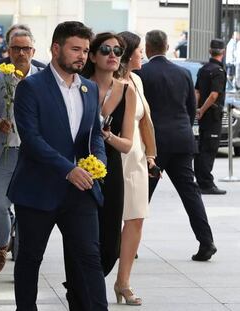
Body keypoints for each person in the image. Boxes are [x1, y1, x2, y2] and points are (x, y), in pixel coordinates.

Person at [8, 21, 108, 311]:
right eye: (75, 49)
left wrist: (97, 162)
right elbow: (31, 139)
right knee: (30, 258)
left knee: (90, 257)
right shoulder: (30, 87)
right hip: (38, 189)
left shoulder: (89, 88)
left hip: (81, 191)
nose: (82, 56)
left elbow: (95, 135)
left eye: (86, 50)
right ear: (55, 48)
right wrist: (69, 169)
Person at [138, 29, 217, 262]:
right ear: (166, 46)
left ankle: (127, 243)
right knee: (190, 193)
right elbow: (191, 107)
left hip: (154, 144)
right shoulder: (182, 73)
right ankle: (206, 241)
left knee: (142, 195)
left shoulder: (141, 73)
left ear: (148, 47)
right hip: (182, 140)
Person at [0, 29, 40, 274]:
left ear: (33, 51)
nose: (21, 53)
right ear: (8, 51)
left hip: (34, 155)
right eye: (16, 48)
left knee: (28, 209)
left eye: (25, 49)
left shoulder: (44, 79)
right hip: (3, 151)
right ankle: (3, 243)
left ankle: (22, 264)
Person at [82, 32, 136, 278]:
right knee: (82, 233)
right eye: (105, 50)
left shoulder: (127, 91)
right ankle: (80, 287)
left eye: (117, 51)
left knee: (111, 239)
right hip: (79, 164)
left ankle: (86, 283)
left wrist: (108, 137)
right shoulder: (79, 86)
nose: (112, 55)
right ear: (92, 55)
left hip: (111, 165)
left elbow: (127, 144)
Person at [116, 31, 158, 305]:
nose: (142, 54)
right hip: (115, 157)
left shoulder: (138, 80)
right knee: (108, 223)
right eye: (139, 50)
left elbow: (145, 120)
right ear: (129, 53)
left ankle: (123, 281)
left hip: (137, 159)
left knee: (136, 219)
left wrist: (151, 154)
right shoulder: (113, 83)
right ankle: (91, 277)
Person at [194, 39, 227, 195]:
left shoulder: (203, 69)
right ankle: (206, 184)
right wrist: (203, 109)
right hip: (212, 115)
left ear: (209, 51)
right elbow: (214, 95)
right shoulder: (218, 71)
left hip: (204, 116)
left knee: (201, 148)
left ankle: (200, 181)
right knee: (209, 149)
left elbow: (197, 92)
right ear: (223, 51)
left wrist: (197, 109)